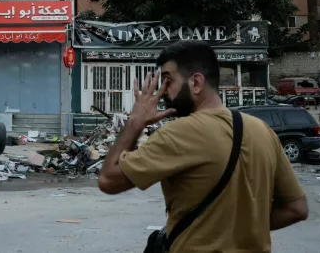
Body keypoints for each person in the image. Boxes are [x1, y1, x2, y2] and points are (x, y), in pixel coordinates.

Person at [98, 40, 308, 252]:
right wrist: (240, 229)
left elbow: (108, 180)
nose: (162, 92)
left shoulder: (179, 133)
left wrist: (136, 122)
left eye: (168, 81)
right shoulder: (263, 131)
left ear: (196, 83)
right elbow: (297, 208)